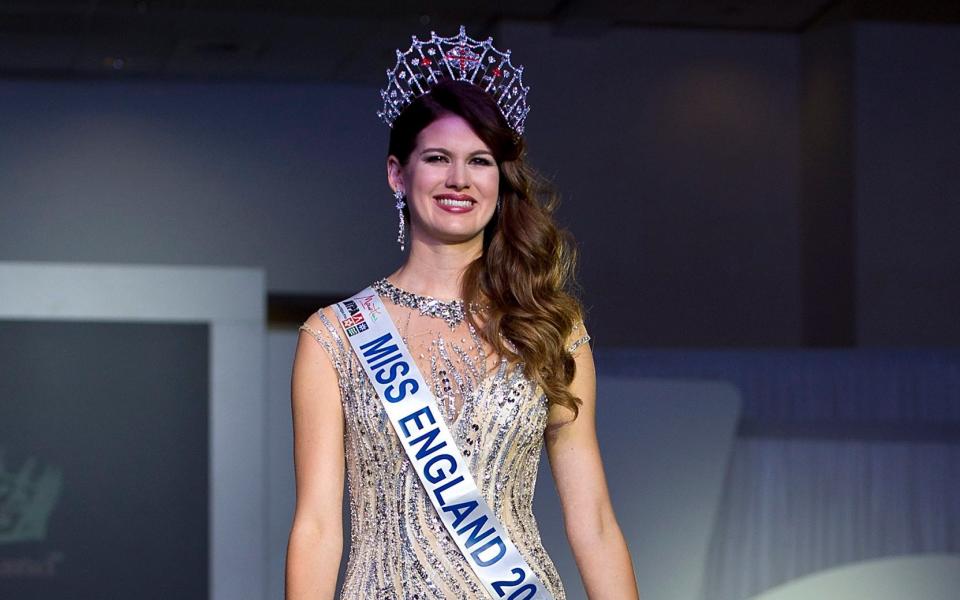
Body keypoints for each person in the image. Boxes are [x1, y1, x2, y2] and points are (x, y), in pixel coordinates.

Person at [285, 27, 639, 600]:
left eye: (480, 160)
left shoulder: (551, 329)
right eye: (437, 158)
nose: (459, 179)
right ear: (398, 174)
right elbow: (317, 527)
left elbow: (593, 521)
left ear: (501, 181)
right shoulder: (336, 336)